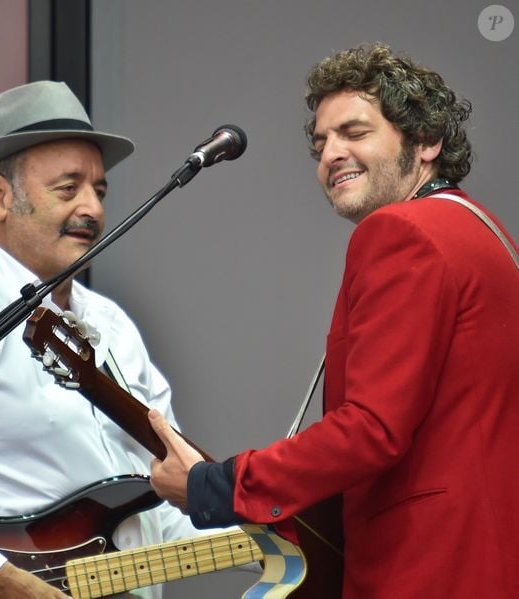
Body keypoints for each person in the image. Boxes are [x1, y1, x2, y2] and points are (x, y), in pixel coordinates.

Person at [148, 42, 519, 598]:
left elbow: (371, 430)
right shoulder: (488, 236)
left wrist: (216, 486)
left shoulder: (402, 232)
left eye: (355, 132)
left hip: (423, 570)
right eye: (321, 143)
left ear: (426, 141)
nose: (330, 154)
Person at [0, 81, 214, 599]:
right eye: (68, 189)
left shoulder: (110, 323)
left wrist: (271, 528)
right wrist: (2, 584)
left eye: (100, 191)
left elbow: (163, 501)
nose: (92, 208)